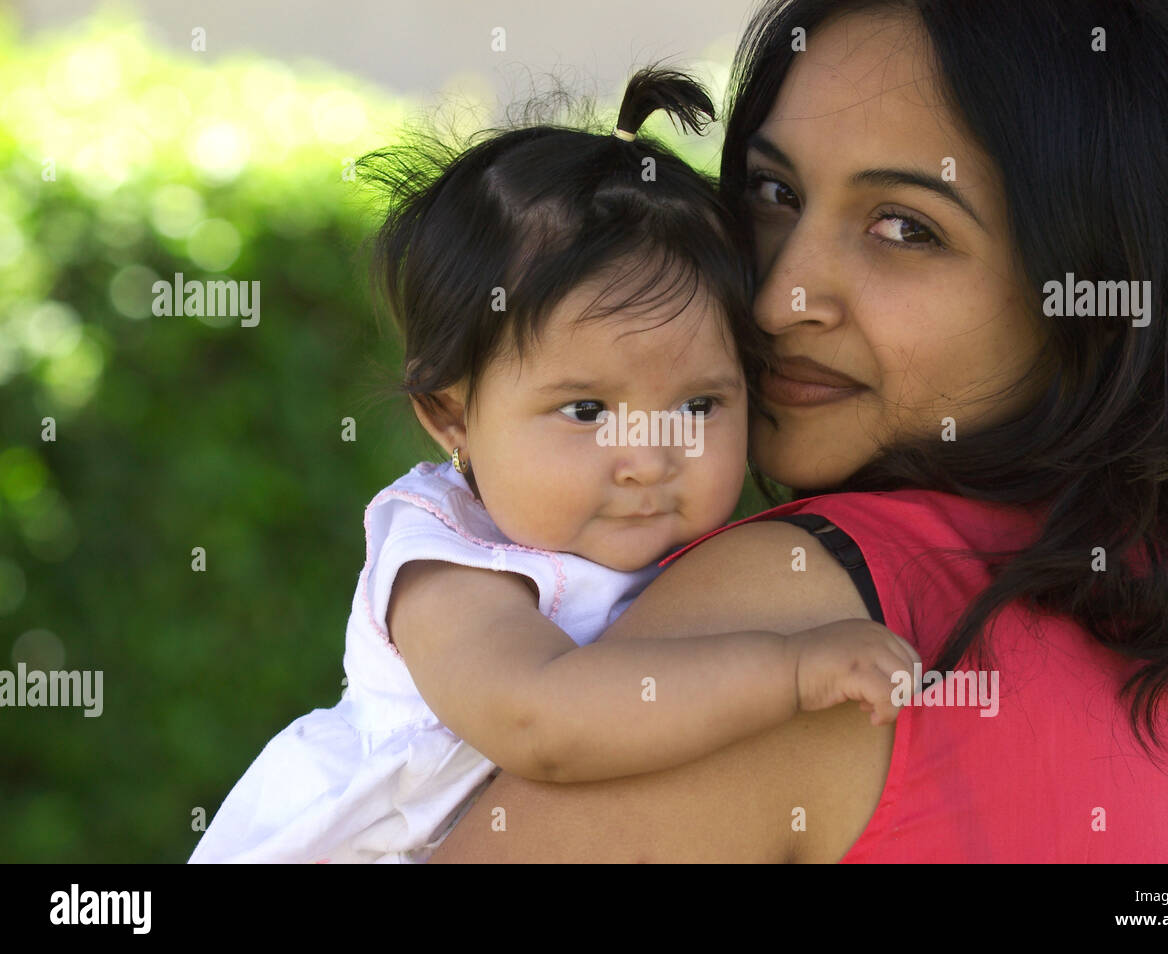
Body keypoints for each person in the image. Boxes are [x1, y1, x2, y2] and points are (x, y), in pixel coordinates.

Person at [432, 0, 1168, 863]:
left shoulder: (797, 610)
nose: (778, 303)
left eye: (905, 229)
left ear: (1106, 283)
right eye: (774, 193)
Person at [188, 68, 920, 864]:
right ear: (450, 414)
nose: (646, 460)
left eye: (697, 407)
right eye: (586, 412)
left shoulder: (725, 561)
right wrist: (790, 674)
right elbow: (544, 724)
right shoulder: (445, 561)